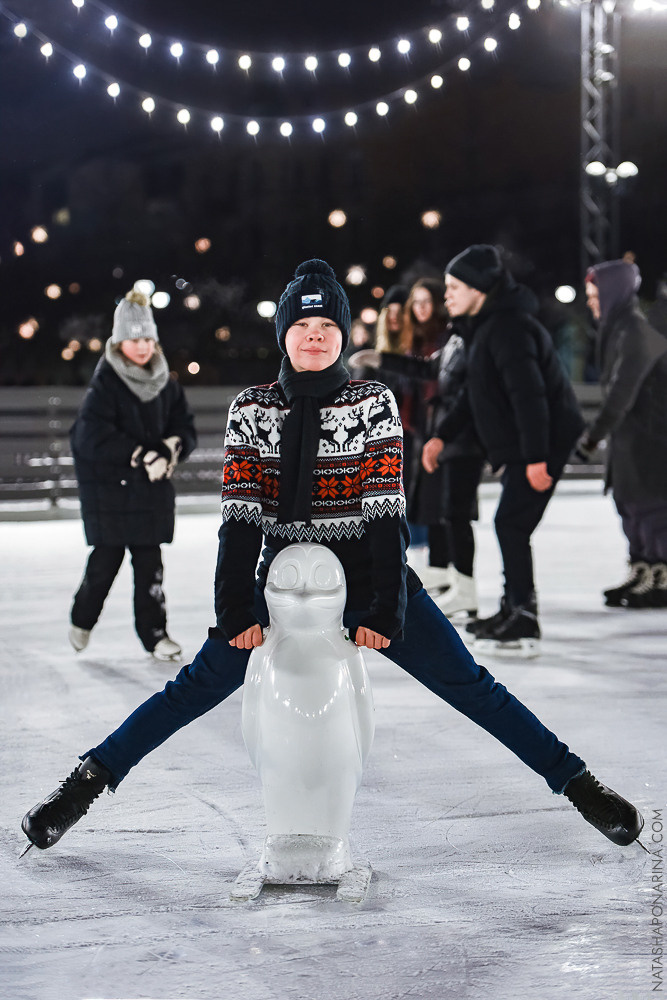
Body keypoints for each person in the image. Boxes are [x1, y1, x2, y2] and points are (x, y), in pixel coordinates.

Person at [21, 259, 642, 858]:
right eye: (302, 326)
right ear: (284, 335)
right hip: (283, 581)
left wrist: (385, 609)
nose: (314, 337)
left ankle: (579, 784)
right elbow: (239, 520)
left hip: (370, 577)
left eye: (326, 327)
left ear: (343, 335)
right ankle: (86, 782)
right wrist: (236, 607)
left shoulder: (372, 402)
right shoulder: (253, 408)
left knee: (472, 687)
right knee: (193, 688)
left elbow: (386, 515)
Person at [422, 245, 584, 656]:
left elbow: (529, 396)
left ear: (478, 289)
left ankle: (523, 616)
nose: (447, 295)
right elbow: (473, 396)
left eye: (454, 287)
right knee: (510, 523)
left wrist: (536, 457)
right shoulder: (484, 329)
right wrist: (441, 436)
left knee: (511, 523)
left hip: (543, 440)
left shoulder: (509, 328)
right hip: (525, 444)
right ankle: (513, 608)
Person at [68, 289, 197, 660]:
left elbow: (184, 427)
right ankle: (82, 620)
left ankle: (155, 635)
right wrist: (140, 454)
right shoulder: (105, 384)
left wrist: (169, 448)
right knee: (104, 563)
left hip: (149, 492)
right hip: (110, 491)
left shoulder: (166, 383)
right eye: (134, 339)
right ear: (119, 342)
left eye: (147, 339)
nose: (142, 347)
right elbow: (90, 437)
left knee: (150, 567)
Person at [580, 258, 667, 608]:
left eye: (595, 295)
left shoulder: (635, 332)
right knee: (630, 508)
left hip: (651, 441)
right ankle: (642, 567)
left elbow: (621, 393)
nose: (591, 302)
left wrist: (592, 436)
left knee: (651, 510)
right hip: (630, 440)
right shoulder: (617, 329)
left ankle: (661, 574)